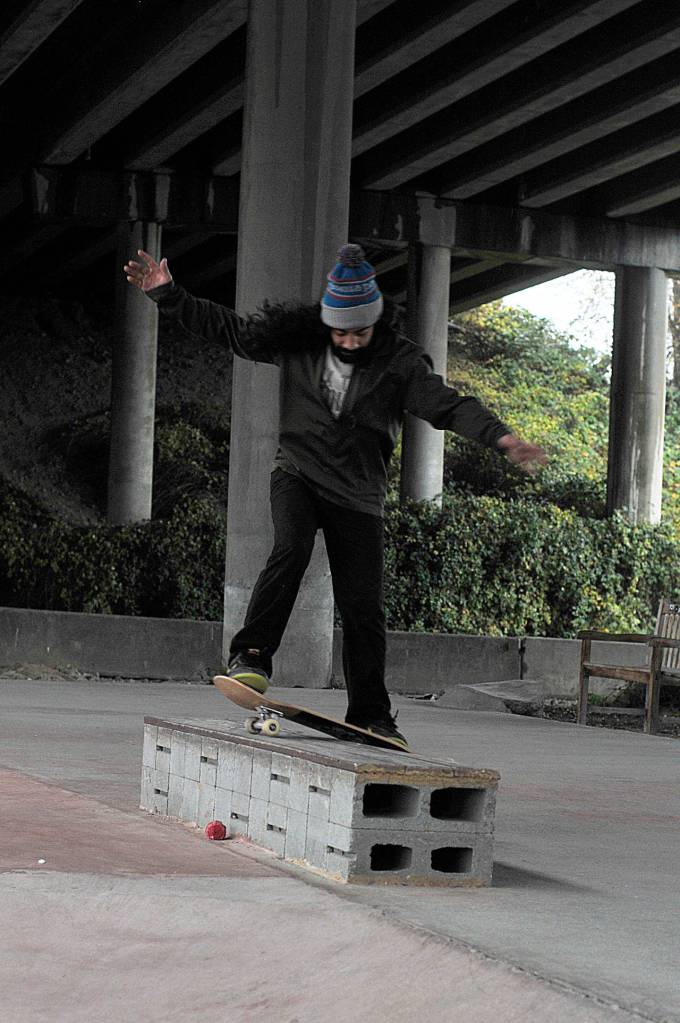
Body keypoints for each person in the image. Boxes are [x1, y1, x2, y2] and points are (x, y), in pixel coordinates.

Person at [124, 244, 547, 750]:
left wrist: (500, 438)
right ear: (327, 323)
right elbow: (232, 331)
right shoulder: (298, 340)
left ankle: (371, 713)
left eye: (359, 333)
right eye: (340, 331)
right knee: (291, 548)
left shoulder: (399, 363)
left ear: (376, 325)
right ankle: (252, 656)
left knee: (363, 604)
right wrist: (168, 295)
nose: (348, 341)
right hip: (298, 472)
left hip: (358, 495)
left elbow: (448, 406)